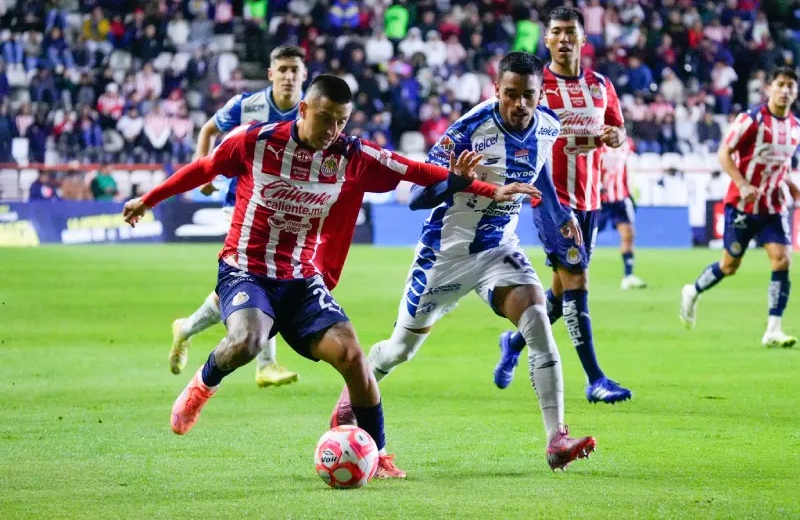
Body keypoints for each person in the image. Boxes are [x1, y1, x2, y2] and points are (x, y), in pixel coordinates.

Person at [122, 74, 536, 479]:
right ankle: (201, 386)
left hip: (302, 280)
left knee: (354, 357)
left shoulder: (351, 154)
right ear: (303, 109)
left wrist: (482, 187)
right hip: (246, 270)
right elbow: (204, 168)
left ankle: (379, 455)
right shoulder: (256, 141)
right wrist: (148, 199)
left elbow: (414, 170)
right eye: (325, 119)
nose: (333, 130)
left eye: (341, 121)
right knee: (247, 340)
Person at [328, 53, 596, 470]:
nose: (520, 104)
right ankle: (351, 398)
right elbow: (417, 198)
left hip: (498, 249)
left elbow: (539, 173)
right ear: (496, 90)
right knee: (399, 350)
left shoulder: (547, 126)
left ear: (539, 94)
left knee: (538, 321)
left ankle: (556, 439)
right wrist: (453, 180)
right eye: (511, 94)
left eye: (528, 95)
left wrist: (562, 217)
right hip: (445, 257)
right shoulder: (468, 131)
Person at [492, 7, 633, 403]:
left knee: (558, 290)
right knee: (577, 281)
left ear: (583, 39)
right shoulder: (537, 86)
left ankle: (513, 343)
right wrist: (551, 204)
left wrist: (615, 136)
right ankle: (595, 379)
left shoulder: (601, 85)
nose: (565, 38)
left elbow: (618, 128)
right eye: (557, 32)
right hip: (552, 200)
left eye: (572, 31)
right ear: (547, 40)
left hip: (591, 199)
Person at [171, 46, 307, 388]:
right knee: (264, 276)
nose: (289, 76)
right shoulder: (248, 105)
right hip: (245, 204)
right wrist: (203, 173)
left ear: (304, 76)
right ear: (271, 73)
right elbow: (207, 130)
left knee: (251, 283)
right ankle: (266, 364)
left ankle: (186, 328)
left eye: (295, 70)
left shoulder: (310, 111)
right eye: (284, 69)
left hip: (288, 208)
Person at [680, 67, 800, 348]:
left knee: (782, 259)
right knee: (730, 265)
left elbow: (779, 164)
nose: (785, 91)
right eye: (780, 84)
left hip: (773, 205)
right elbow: (724, 152)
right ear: (769, 88)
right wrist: (743, 184)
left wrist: (791, 185)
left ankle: (773, 328)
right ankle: (692, 290)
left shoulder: (795, 127)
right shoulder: (752, 119)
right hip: (743, 204)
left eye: (790, 86)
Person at [597, 139, 646, 289]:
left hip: (620, 198)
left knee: (628, 235)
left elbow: (626, 167)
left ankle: (628, 276)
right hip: (599, 200)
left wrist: (630, 192)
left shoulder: (627, 143)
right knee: (584, 238)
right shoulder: (596, 143)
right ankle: (569, 271)